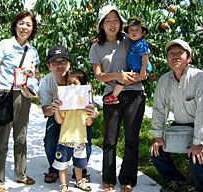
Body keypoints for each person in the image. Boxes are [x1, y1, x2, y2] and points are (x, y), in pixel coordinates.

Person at [0, 11, 39, 192]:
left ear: (32, 28)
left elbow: (36, 74)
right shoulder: (5, 44)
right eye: (21, 23)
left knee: (21, 137)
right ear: (15, 25)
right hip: (3, 94)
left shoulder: (33, 51)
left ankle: (21, 174)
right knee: (1, 140)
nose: (24, 27)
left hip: (23, 95)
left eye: (28, 24)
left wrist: (32, 84)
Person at [88, 5, 146, 192]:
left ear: (121, 22)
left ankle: (128, 179)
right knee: (110, 138)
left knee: (131, 138)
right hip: (112, 95)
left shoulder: (130, 40)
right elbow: (98, 75)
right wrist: (117, 76)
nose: (112, 24)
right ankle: (108, 178)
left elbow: (143, 62)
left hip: (135, 92)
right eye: (108, 20)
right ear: (101, 25)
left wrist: (138, 75)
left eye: (115, 20)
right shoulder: (96, 47)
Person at [149, 39, 203, 192]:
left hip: (201, 125)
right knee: (156, 152)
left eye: (180, 53)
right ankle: (174, 180)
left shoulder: (200, 77)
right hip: (179, 125)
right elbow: (159, 108)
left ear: (189, 58)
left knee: (197, 157)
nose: (175, 56)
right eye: (171, 53)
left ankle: (199, 187)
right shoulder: (164, 80)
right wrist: (158, 136)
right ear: (167, 59)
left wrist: (198, 143)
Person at [39, 45, 94, 183]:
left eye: (63, 61)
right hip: (58, 114)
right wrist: (53, 107)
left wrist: (91, 111)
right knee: (50, 140)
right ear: (49, 66)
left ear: (69, 63)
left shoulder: (78, 78)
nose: (59, 66)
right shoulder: (46, 82)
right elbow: (45, 110)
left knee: (85, 141)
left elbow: (90, 102)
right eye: (55, 63)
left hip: (78, 116)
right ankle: (54, 169)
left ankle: (81, 169)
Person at [52, 69, 98, 192]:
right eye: (69, 83)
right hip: (65, 139)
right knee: (62, 164)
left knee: (79, 164)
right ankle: (63, 185)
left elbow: (89, 123)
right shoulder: (63, 103)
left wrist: (91, 114)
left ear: (82, 85)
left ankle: (79, 181)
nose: (72, 85)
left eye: (75, 83)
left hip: (80, 139)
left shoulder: (85, 105)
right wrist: (56, 109)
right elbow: (59, 121)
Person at [103, 16, 152, 105]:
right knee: (122, 79)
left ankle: (113, 96)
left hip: (140, 69)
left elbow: (145, 58)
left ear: (143, 32)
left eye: (137, 29)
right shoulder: (132, 42)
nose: (134, 32)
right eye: (131, 30)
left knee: (122, 79)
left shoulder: (141, 44)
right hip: (135, 68)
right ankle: (114, 96)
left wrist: (143, 71)